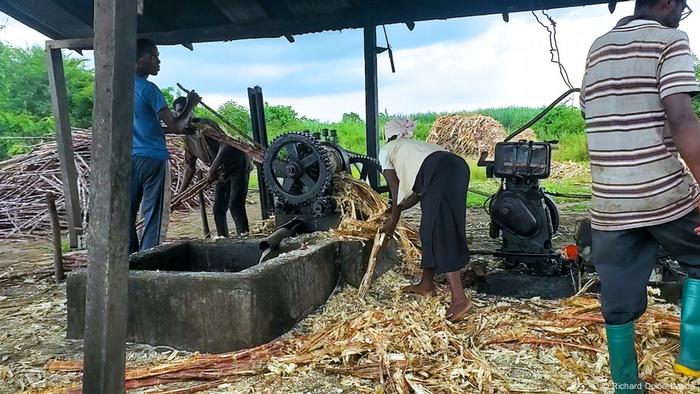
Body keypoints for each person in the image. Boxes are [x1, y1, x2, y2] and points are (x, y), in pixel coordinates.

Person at [580, 0, 700, 390]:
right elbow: (681, 117)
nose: (681, 14)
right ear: (665, 1)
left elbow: (590, 111)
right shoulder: (670, 40)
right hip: (663, 192)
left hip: (609, 201)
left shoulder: (597, 47)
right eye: (681, 6)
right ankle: (692, 358)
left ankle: (627, 386)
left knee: (616, 298)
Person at [380, 118, 472, 322]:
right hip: (458, 167)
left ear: (387, 137)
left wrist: (392, 220)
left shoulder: (386, 150)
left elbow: (396, 193)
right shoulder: (418, 147)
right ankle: (426, 284)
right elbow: (418, 193)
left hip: (438, 171)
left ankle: (460, 300)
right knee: (435, 226)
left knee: (439, 230)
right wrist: (398, 209)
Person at [130, 39, 201, 254]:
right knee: (154, 218)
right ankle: (148, 262)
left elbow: (148, 127)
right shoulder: (149, 89)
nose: (158, 61)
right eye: (152, 56)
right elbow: (176, 125)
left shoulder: (117, 87)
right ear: (136, 59)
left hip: (127, 159)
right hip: (153, 160)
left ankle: (129, 261)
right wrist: (190, 104)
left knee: (126, 216)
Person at [173, 97, 252, 236]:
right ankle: (222, 240)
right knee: (218, 210)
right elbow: (190, 168)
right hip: (220, 172)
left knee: (235, 205)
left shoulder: (205, 125)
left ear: (192, 111)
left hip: (237, 164)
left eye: (187, 110)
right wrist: (179, 196)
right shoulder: (186, 137)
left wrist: (212, 169)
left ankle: (244, 237)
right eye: (180, 112)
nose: (183, 115)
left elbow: (225, 143)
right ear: (176, 114)